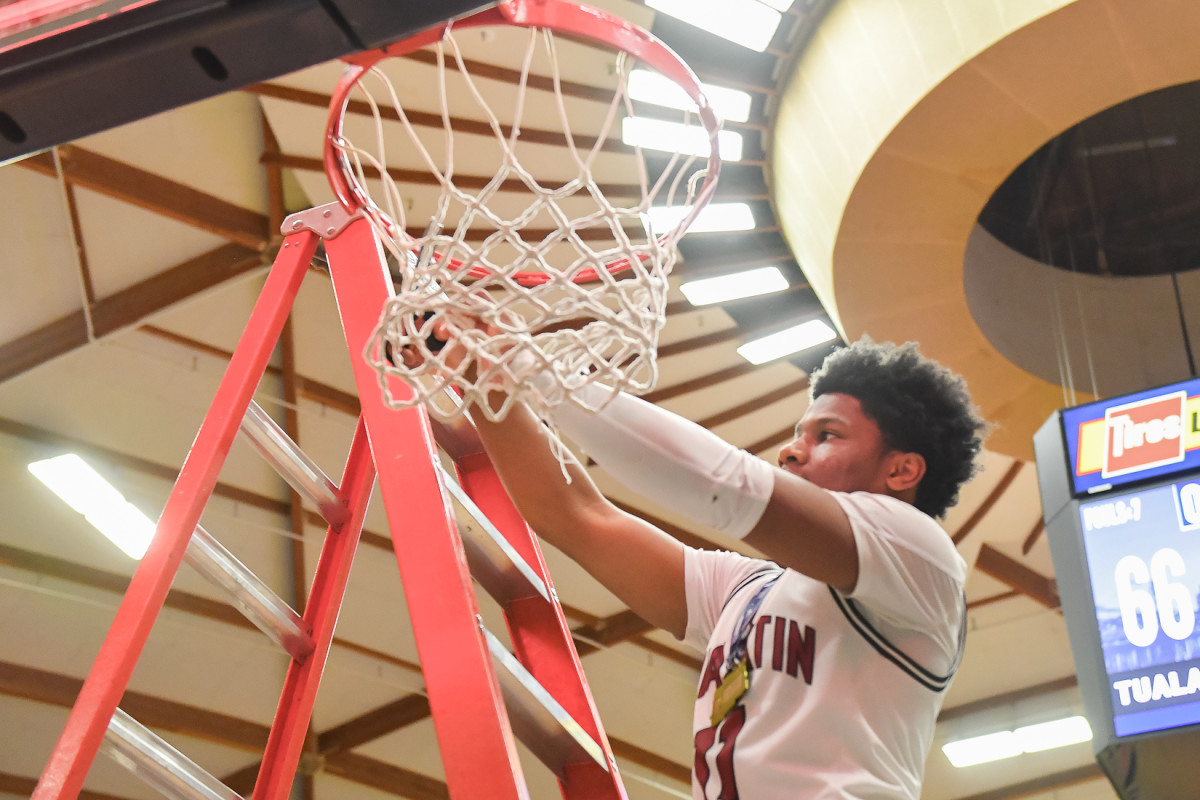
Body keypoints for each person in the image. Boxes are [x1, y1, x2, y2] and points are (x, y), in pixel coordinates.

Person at [440, 333, 987, 799]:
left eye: (827, 435)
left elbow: (722, 485)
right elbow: (575, 514)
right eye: (798, 435)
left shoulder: (922, 556)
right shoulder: (746, 589)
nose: (792, 452)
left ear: (902, 471)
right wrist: (481, 373)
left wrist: (534, 368)